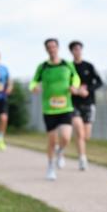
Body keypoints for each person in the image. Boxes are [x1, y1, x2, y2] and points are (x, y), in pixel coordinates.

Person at [29, 38, 84, 181]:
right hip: (49, 108)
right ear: (46, 49)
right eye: (49, 47)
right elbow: (34, 81)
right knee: (52, 140)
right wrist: (33, 87)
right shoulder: (43, 67)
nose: (51, 49)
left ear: (58, 48)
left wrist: (75, 87)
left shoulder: (67, 64)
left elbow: (76, 78)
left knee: (65, 137)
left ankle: (61, 152)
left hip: (65, 106)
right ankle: (50, 167)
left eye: (54, 46)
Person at [68, 40, 103, 170]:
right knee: (79, 131)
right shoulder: (68, 67)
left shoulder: (89, 66)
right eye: (75, 49)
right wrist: (73, 89)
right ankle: (82, 158)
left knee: (86, 135)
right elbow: (65, 83)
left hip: (88, 103)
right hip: (73, 104)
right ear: (71, 51)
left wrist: (87, 89)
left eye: (79, 49)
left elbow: (99, 82)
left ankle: (79, 146)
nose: (77, 51)